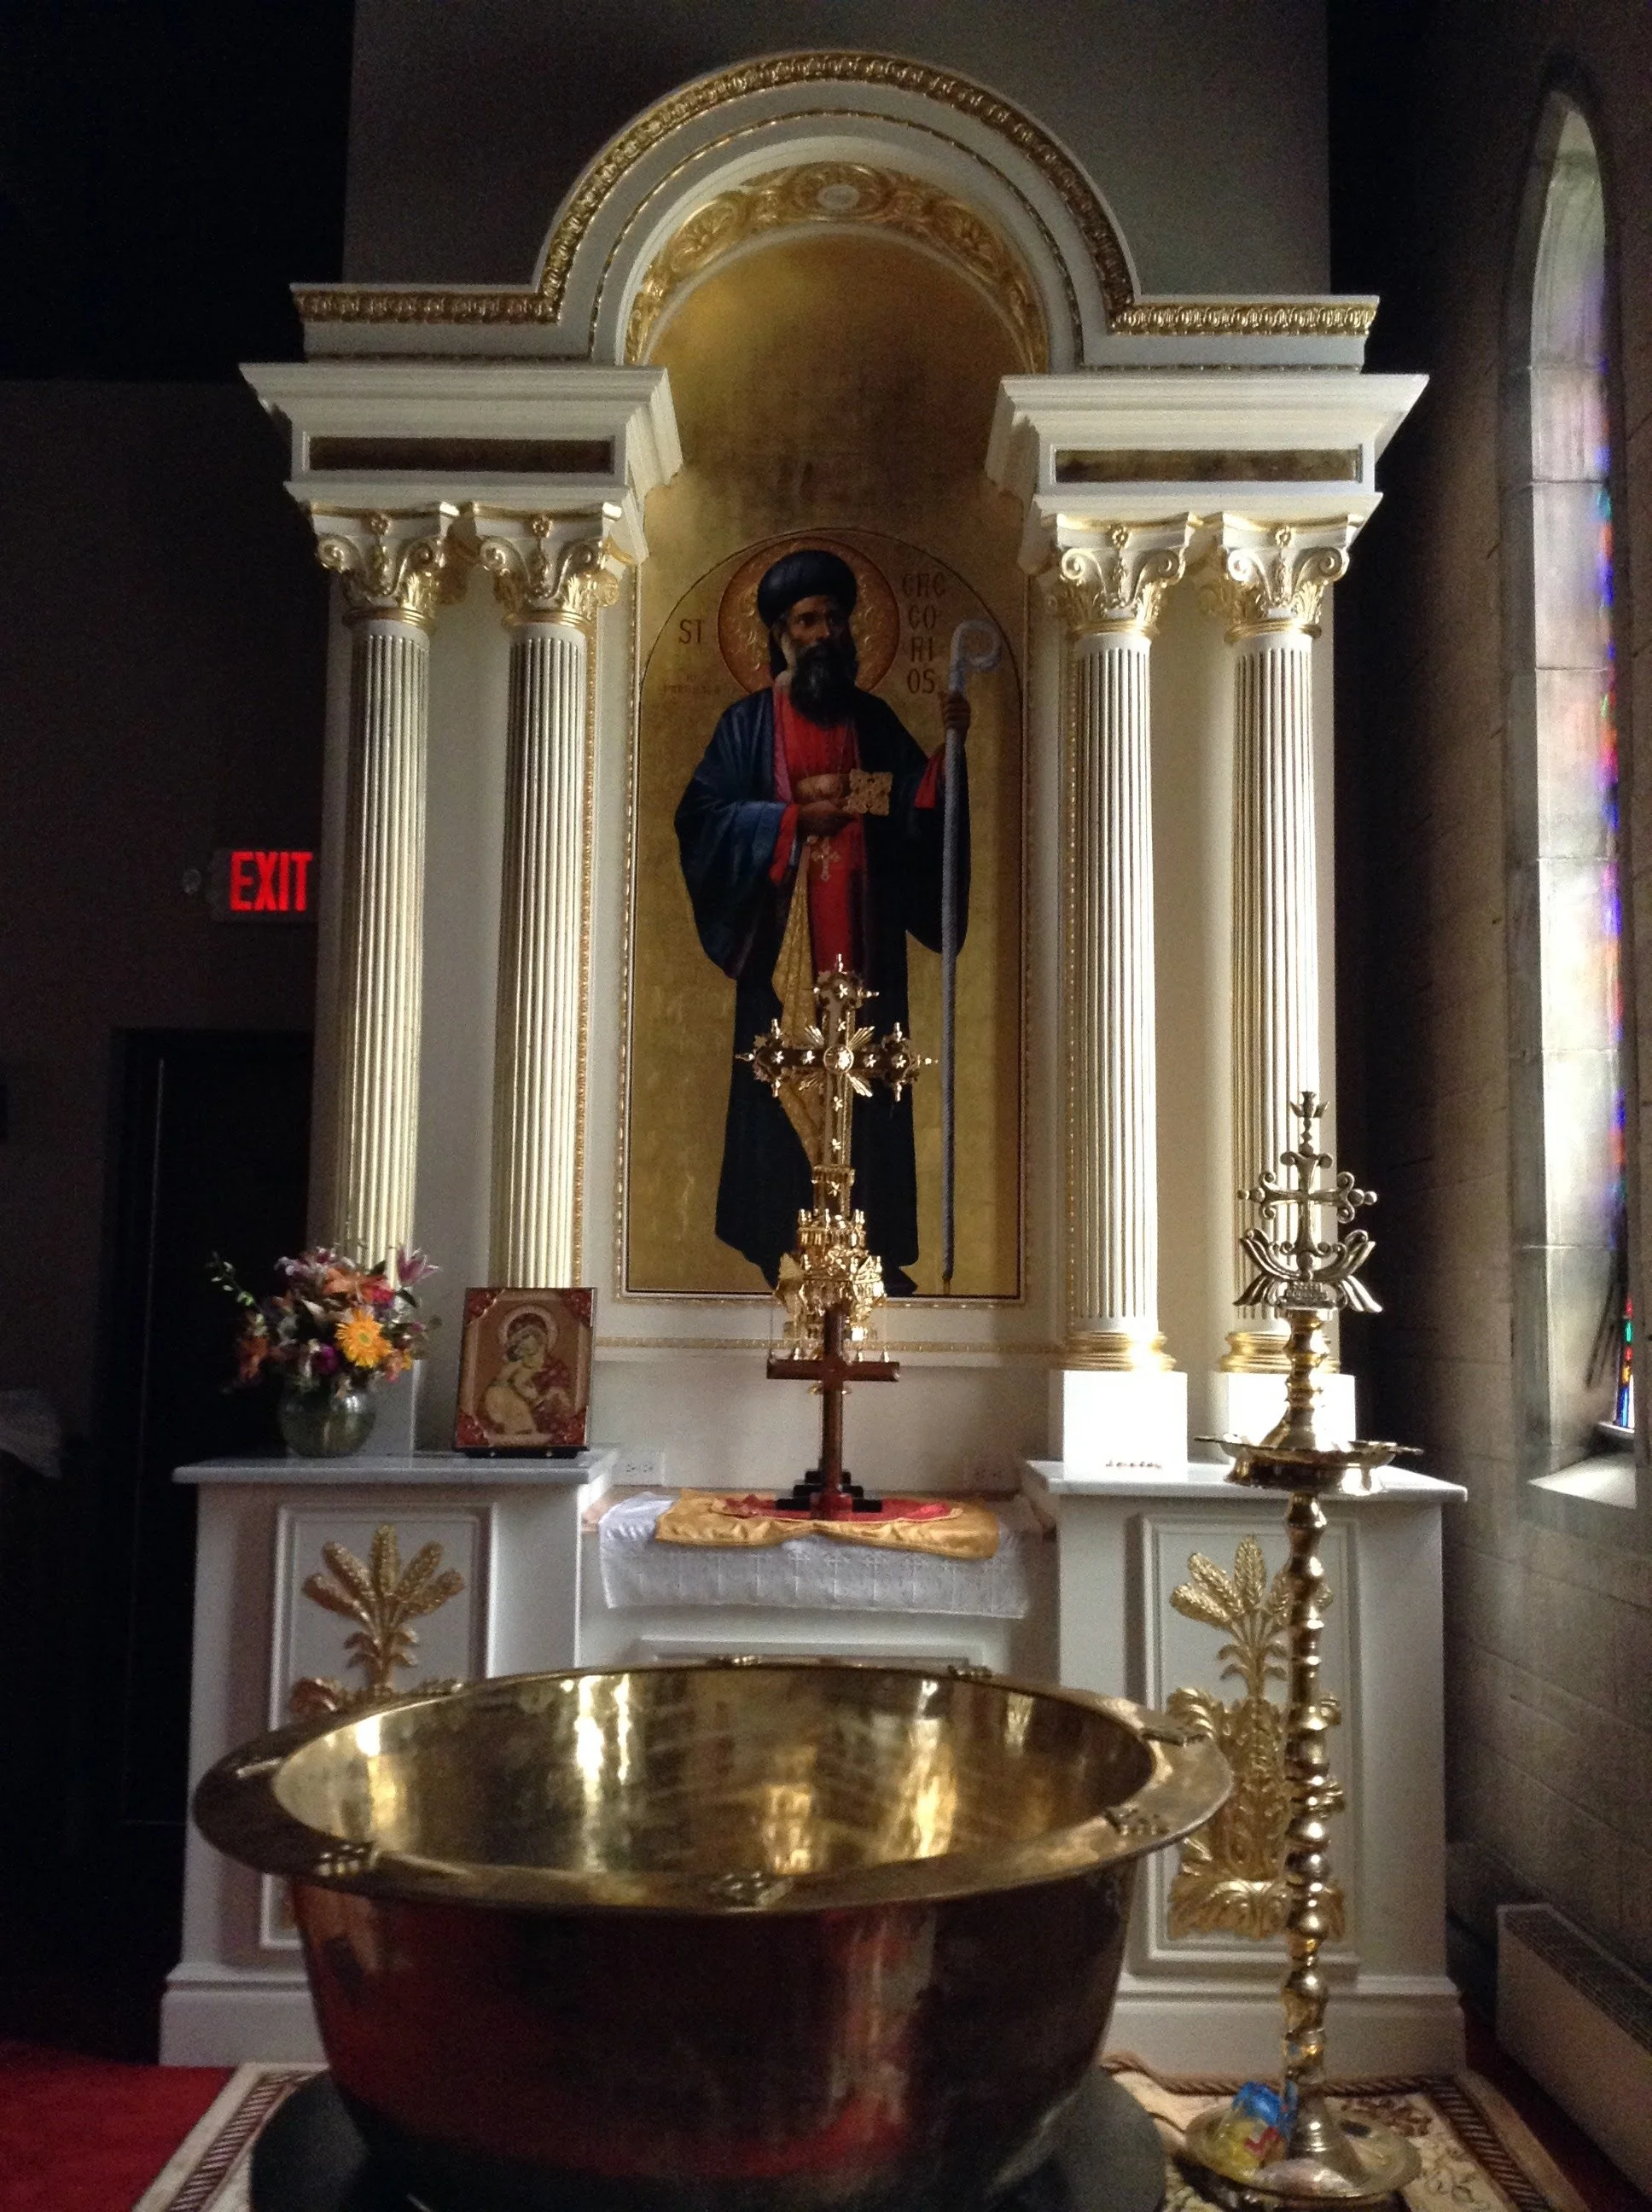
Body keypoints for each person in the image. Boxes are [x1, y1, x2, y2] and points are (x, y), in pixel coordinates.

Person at [675, 547, 969, 1290]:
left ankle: (866, 1249)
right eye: (808, 619)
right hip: (785, 950)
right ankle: (781, 1238)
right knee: (783, 1083)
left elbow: (904, 809)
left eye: (836, 618)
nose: (824, 632)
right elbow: (703, 817)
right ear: (779, 634)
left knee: (868, 1086)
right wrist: (789, 821)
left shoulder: (871, 722)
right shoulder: (747, 727)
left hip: (862, 949)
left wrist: (946, 766)